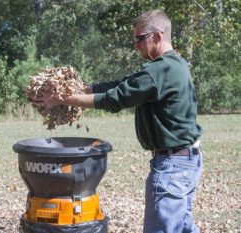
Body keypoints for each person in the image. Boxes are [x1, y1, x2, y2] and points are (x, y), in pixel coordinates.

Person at [32, 9, 203, 233]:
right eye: (135, 39)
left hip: (173, 167)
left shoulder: (159, 70)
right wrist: (82, 88)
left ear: (158, 36)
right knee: (182, 227)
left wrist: (63, 98)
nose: (136, 44)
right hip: (186, 162)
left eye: (140, 38)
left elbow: (114, 99)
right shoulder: (174, 65)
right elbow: (124, 84)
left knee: (163, 229)